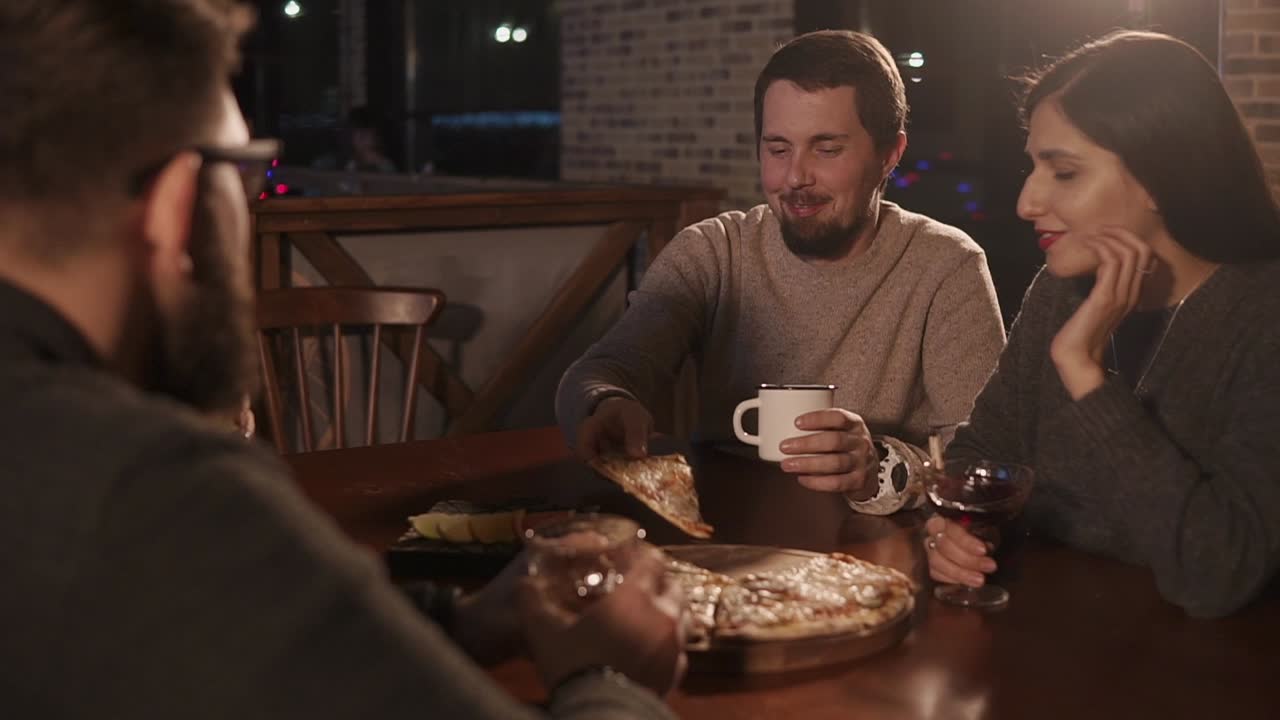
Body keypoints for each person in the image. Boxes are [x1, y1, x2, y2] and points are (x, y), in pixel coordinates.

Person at [0, 2, 684, 717]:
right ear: (177, 206)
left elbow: (200, 633)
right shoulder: (151, 489)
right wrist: (610, 678)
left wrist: (461, 622)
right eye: (244, 178)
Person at [557, 30, 1005, 515]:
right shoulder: (714, 252)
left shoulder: (946, 264)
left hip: (883, 545)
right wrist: (606, 404)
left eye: (826, 149)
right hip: (730, 533)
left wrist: (878, 467)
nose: (795, 177)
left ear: (889, 155)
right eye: (777, 149)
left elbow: (985, 454)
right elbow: (602, 370)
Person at [925, 30, 1280, 618]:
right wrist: (951, 535)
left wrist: (1085, 373)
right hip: (1050, 649)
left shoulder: (1263, 317)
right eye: (1032, 166)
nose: (1026, 201)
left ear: (1158, 179)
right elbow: (981, 454)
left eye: (1063, 172)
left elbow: (1217, 572)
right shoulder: (1061, 290)